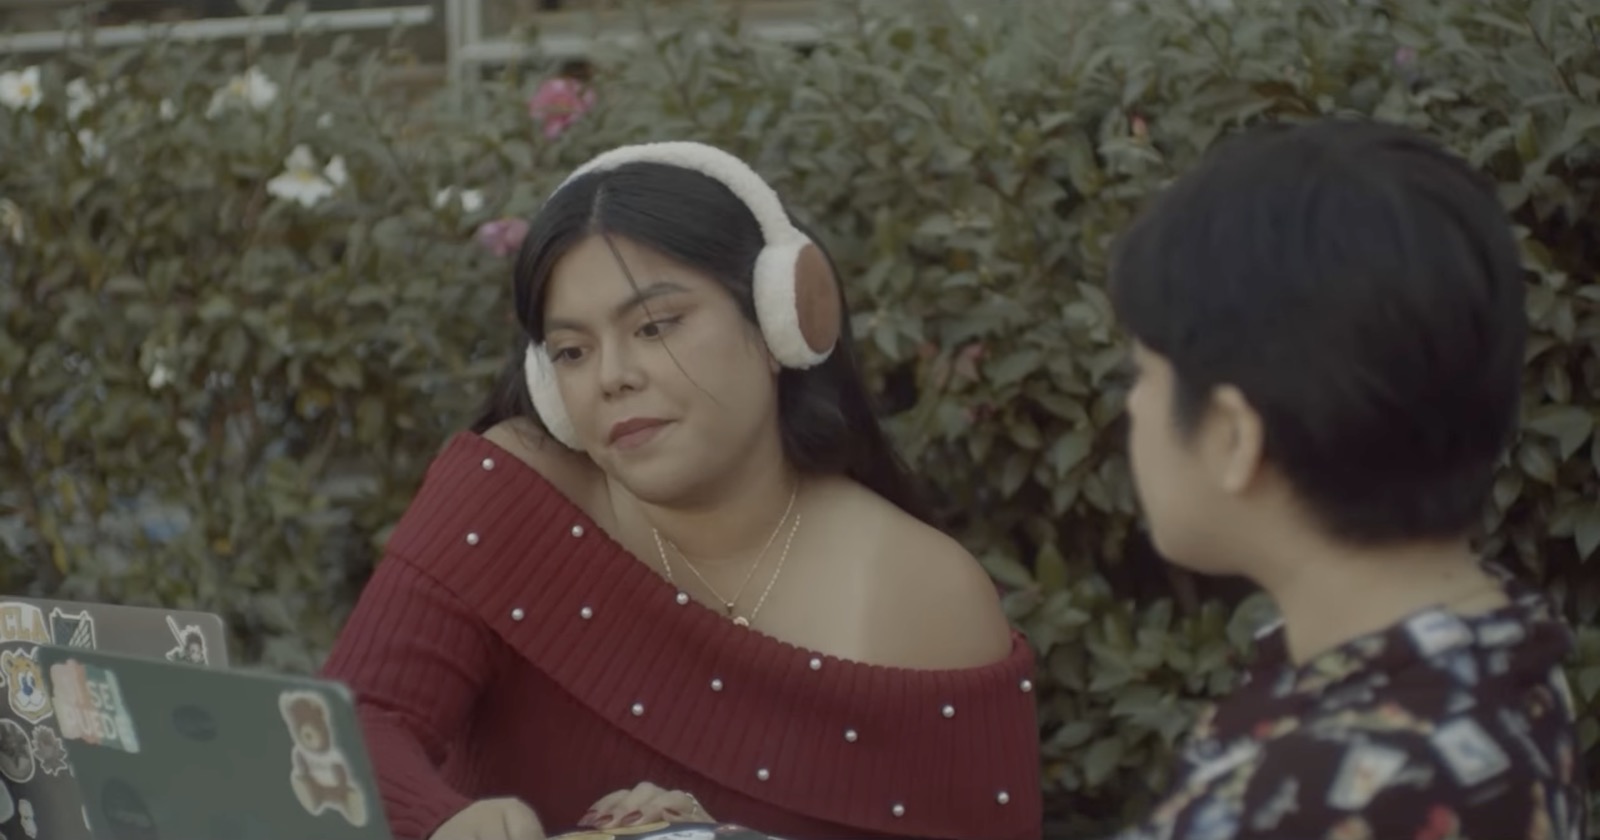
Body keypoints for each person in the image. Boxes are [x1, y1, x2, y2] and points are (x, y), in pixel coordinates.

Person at [320, 142, 1043, 840]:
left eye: (656, 326)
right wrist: (442, 822)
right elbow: (345, 730)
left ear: (780, 322)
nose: (612, 376)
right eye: (572, 351)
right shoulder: (511, 495)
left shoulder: (925, 595)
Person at [1103, 118, 1587, 839]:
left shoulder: (1323, 799)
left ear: (1234, 435)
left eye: (1142, 374)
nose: (1132, 406)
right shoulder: (1504, 652)